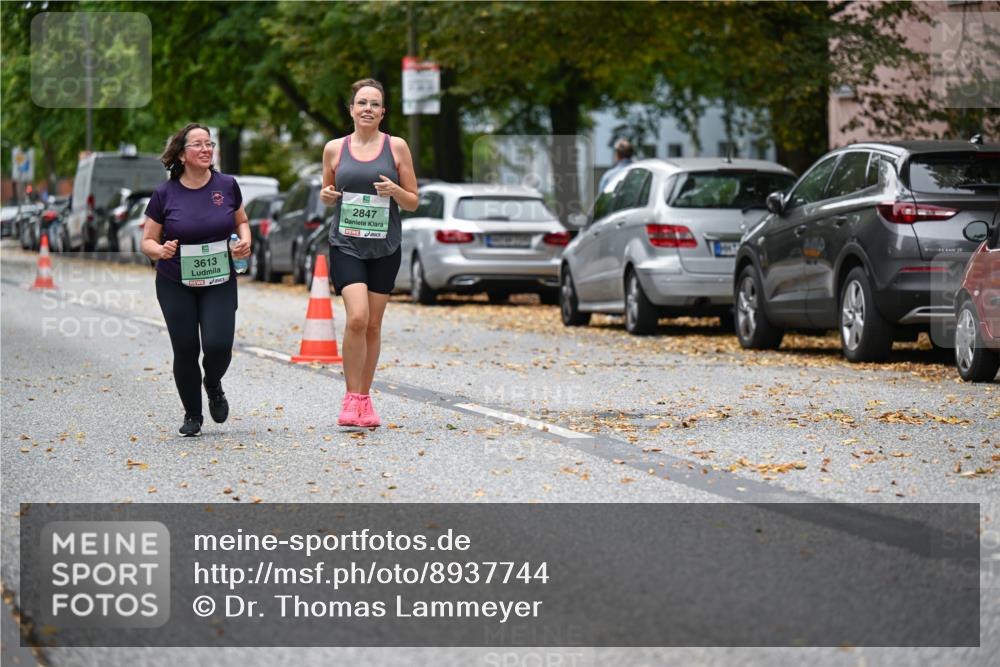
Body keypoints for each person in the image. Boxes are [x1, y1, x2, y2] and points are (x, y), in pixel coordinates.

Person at [319, 78, 419, 427]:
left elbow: (413, 201)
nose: (368, 109)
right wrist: (326, 196)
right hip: (346, 244)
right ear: (351, 110)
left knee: (374, 325)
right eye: (362, 103)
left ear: (382, 112)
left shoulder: (396, 147)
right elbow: (327, 191)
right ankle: (350, 398)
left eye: (375, 104)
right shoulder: (334, 148)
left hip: (385, 246)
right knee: (358, 318)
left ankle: (364, 399)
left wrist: (394, 191)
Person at [141, 123, 251, 436]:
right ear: (181, 154)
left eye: (209, 143)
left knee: (218, 345)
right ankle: (193, 415)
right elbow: (147, 240)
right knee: (186, 348)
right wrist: (160, 250)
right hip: (176, 282)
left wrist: (245, 241)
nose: (206, 149)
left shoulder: (226, 185)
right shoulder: (165, 193)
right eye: (198, 144)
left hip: (219, 279)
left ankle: (213, 383)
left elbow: (242, 221)